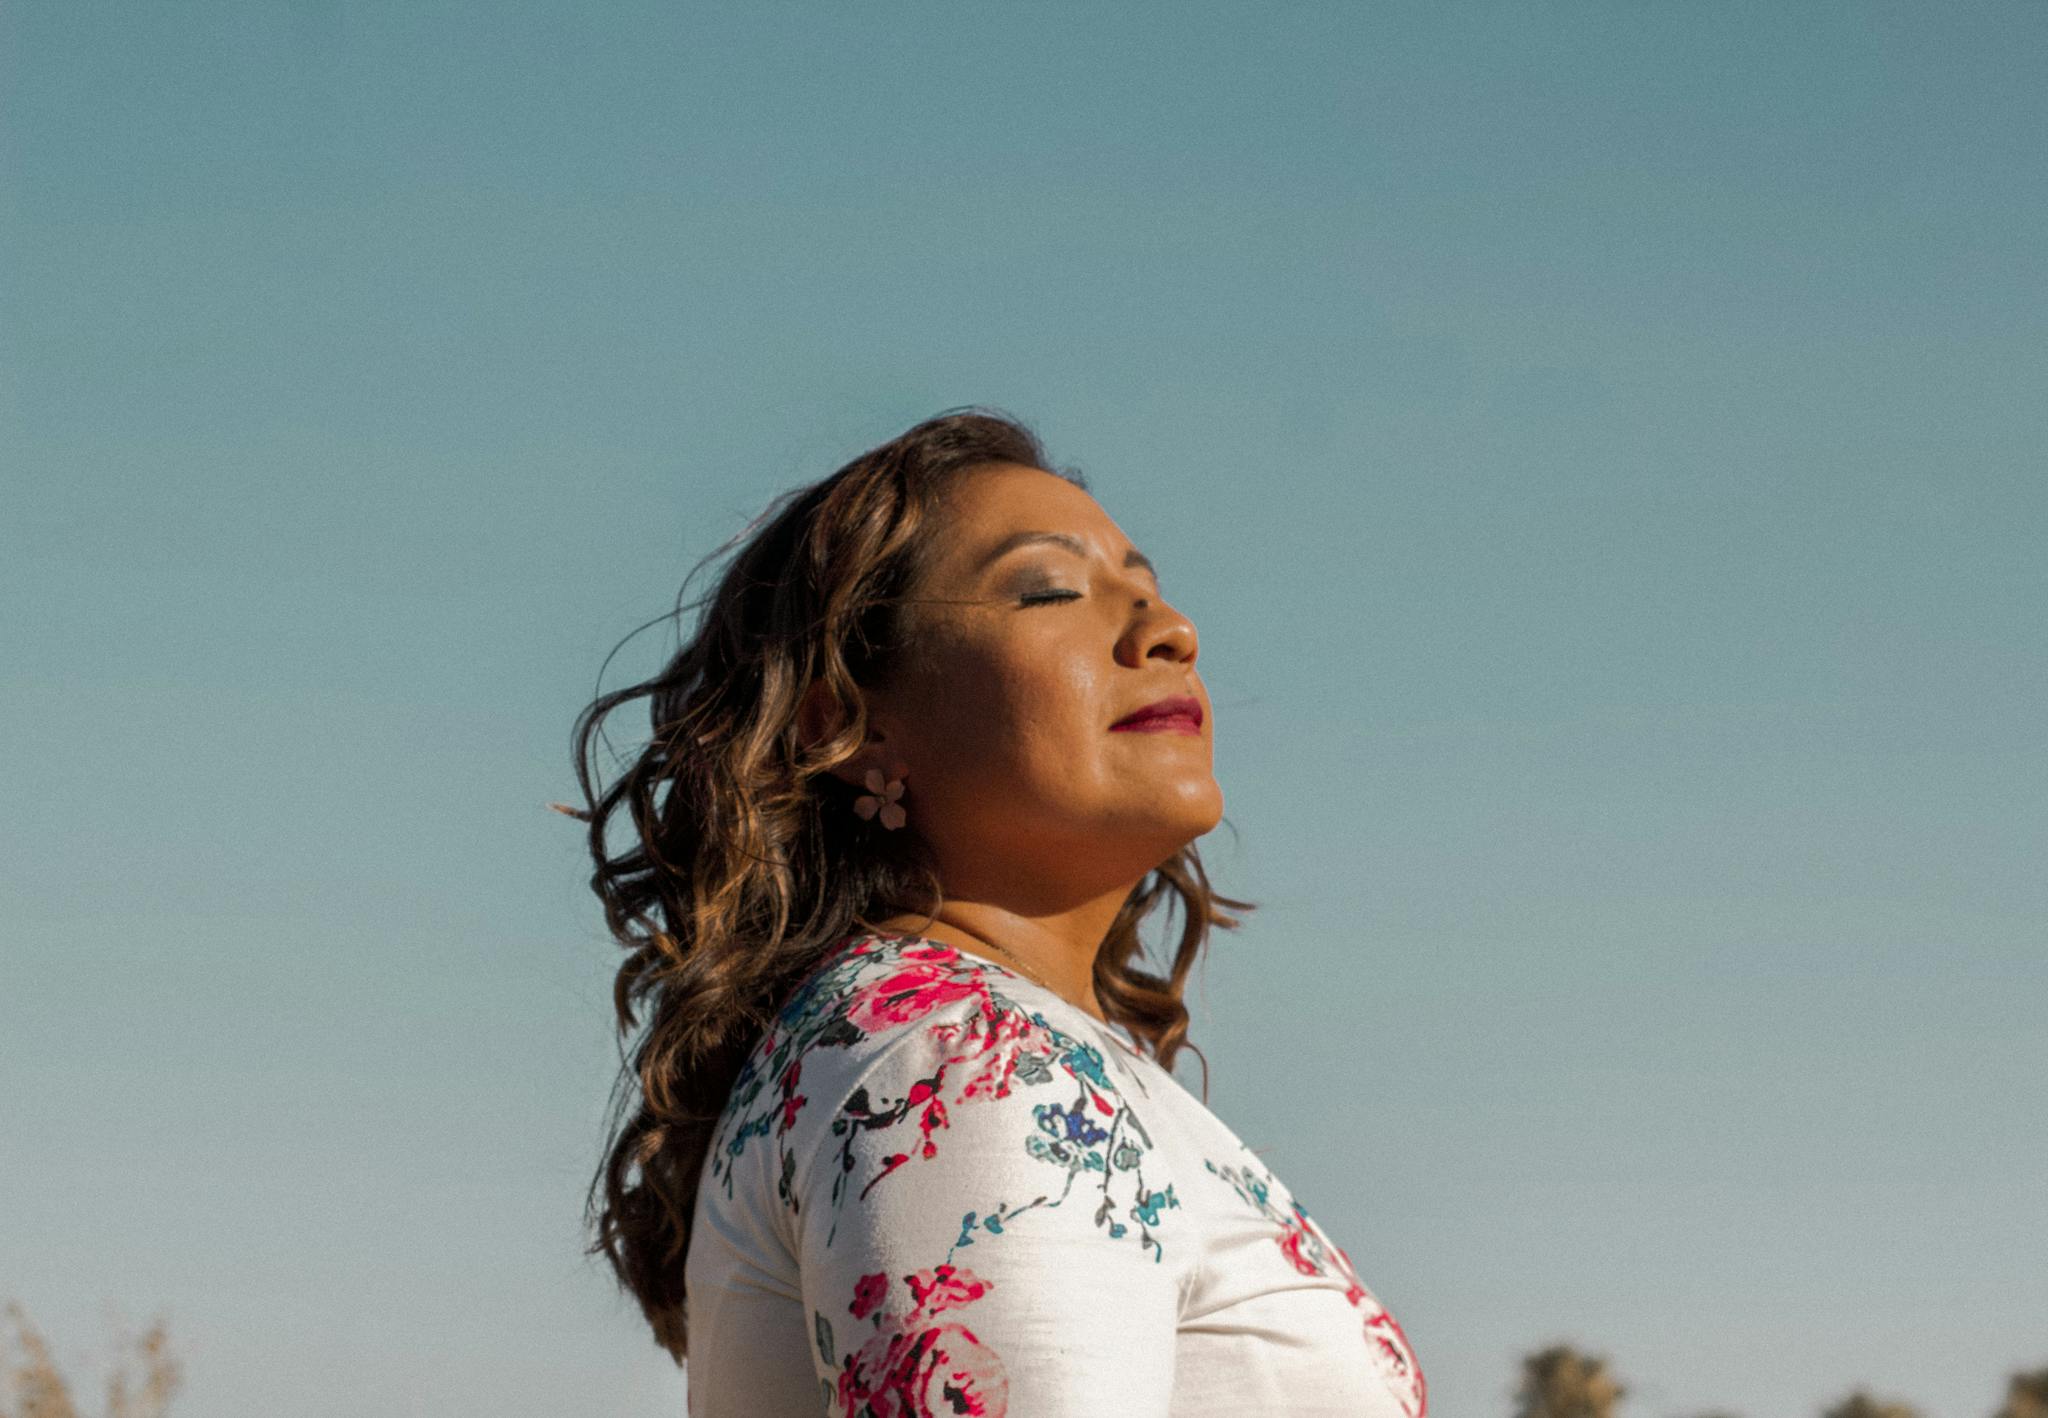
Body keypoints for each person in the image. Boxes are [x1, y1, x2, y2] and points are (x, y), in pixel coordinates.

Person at [565, 408, 1427, 1416]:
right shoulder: (962, 1058)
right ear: (848, 723)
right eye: (1050, 589)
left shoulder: (936, 1039)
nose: (1168, 631)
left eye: (1146, 589)